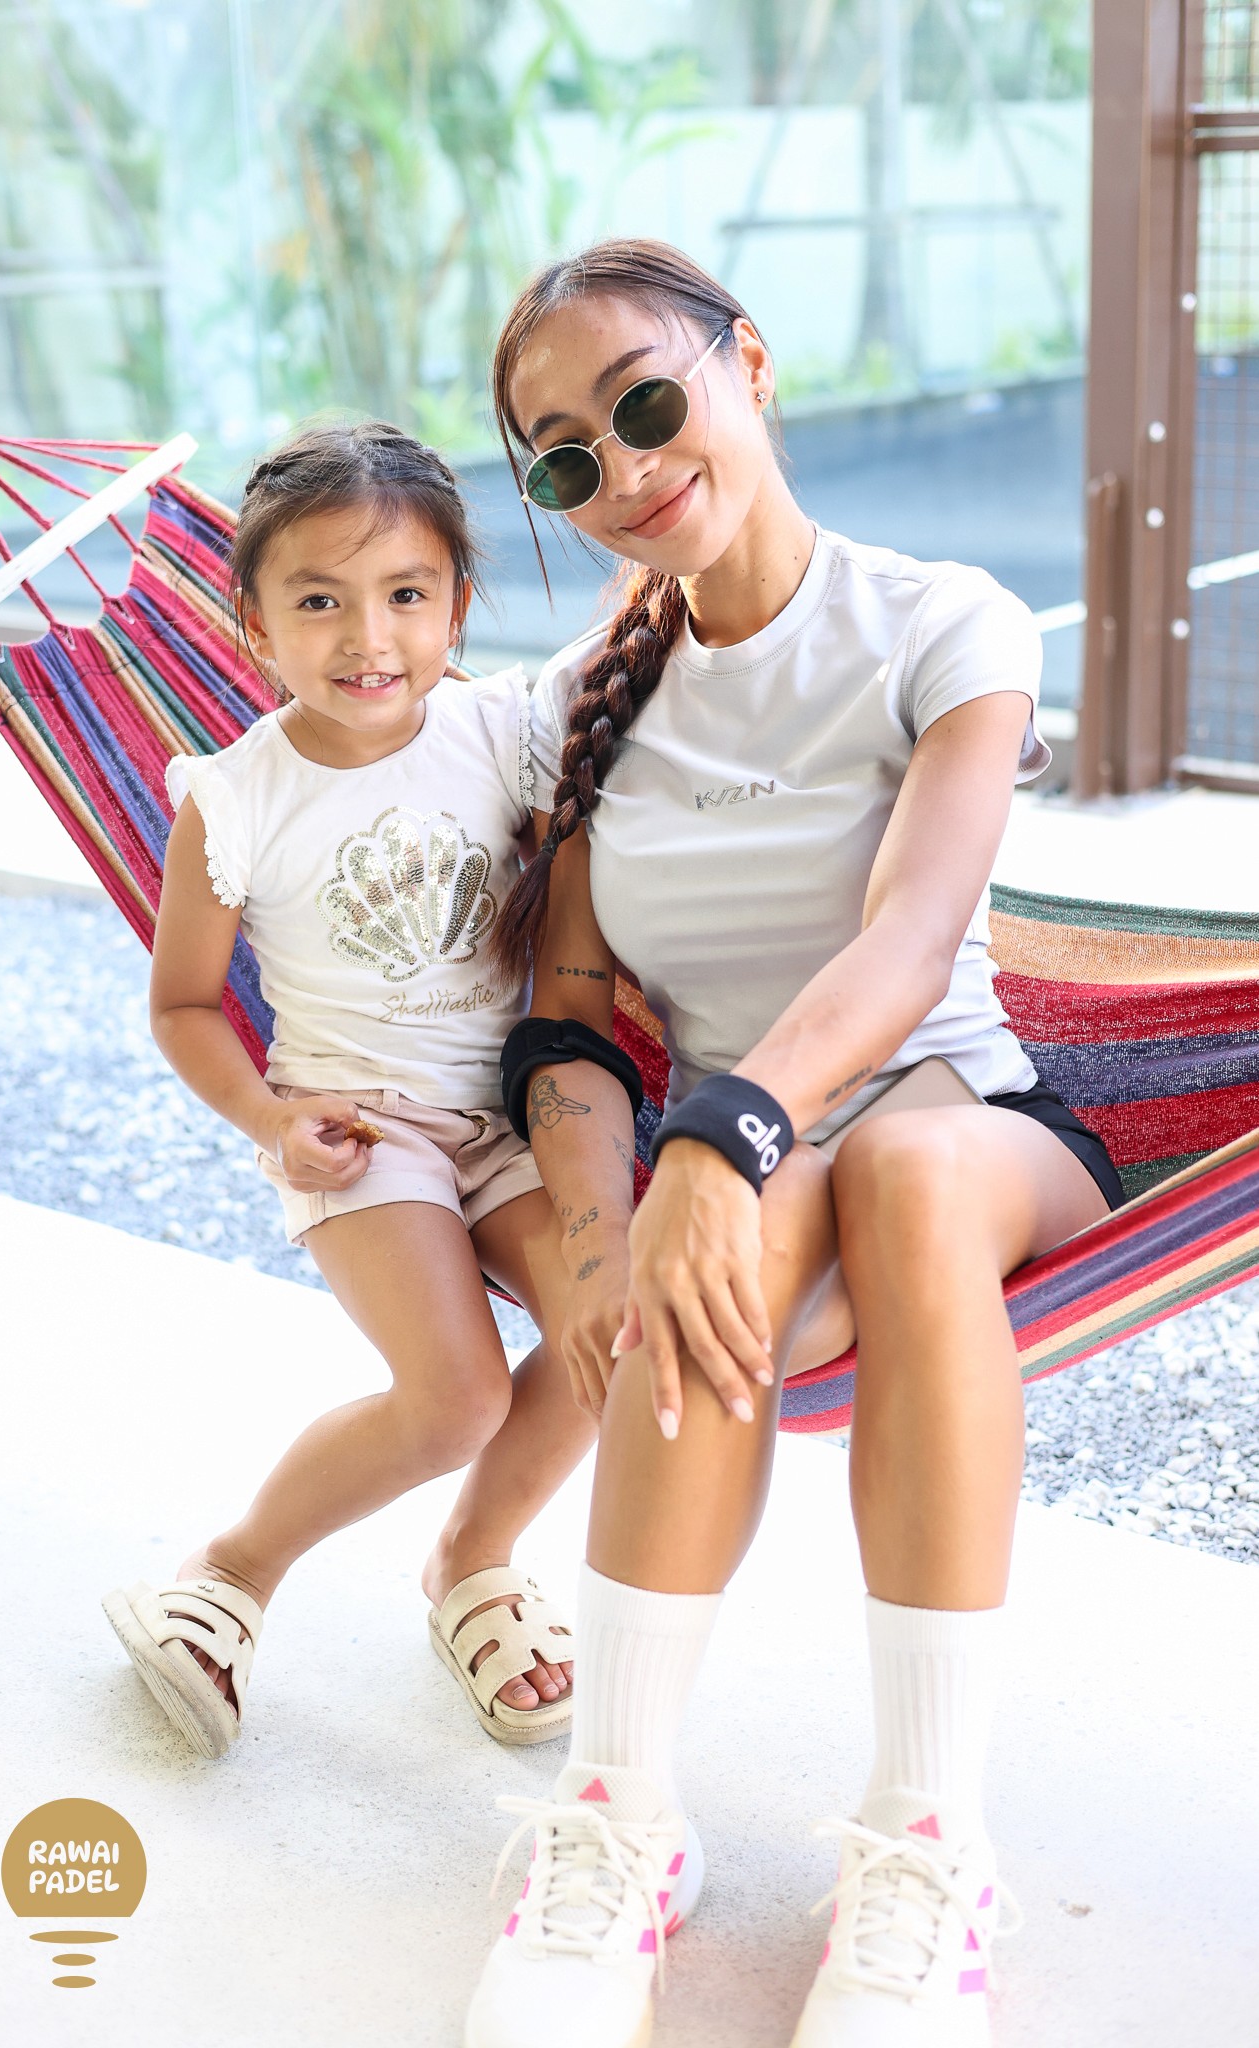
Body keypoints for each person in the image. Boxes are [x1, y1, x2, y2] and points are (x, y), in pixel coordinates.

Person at [463, 241, 1125, 2048]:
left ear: (746, 364)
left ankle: (925, 1842)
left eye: (645, 402)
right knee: (720, 1271)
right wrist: (605, 1218)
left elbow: (911, 941)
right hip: (727, 1164)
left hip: (951, 1112)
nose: (621, 467)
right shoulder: (588, 706)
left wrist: (719, 1137)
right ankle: (618, 1814)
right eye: (561, 459)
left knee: (897, 1179)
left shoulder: (941, 621)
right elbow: (569, 1008)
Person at [102, 420, 595, 1760]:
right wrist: (270, 1120)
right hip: (358, 1131)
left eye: (404, 596)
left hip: (513, 1115)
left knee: (614, 1337)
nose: (364, 636)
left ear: (456, 608)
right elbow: (186, 1004)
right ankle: (230, 1572)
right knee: (453, 1399)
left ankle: (470, 1564)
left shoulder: (502, 735)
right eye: (316, 600)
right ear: (253, 623)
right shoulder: (235, 796)